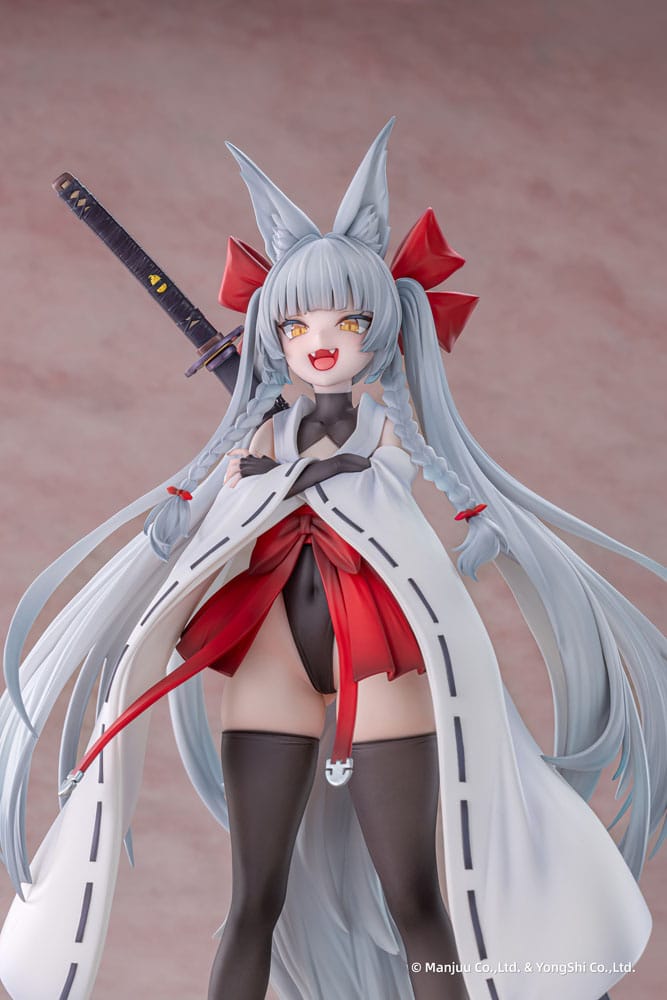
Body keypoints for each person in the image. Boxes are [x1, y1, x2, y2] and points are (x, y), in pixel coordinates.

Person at [0, 121, 664, 1000]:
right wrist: (182, 517)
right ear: (273, 331)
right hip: (272, 663)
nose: (321, 341)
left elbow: (437, 484)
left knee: (417, 897)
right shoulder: (259, 438)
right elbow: (206, 501)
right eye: (298, 322)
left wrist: (477, 527)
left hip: (382, 662)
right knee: (252, 902)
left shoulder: (385, 431)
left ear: (379, 327)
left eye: (347, 321)